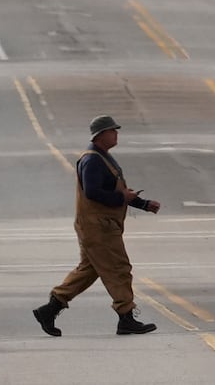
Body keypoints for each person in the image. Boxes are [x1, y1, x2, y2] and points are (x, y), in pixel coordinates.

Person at [33, 115, 161, 337]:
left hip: (101, 226)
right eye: (113, 131)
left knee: (89, 270)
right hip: (98, 227)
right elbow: (93, 193)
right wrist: (123, 199)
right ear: (101, 135)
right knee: (118, 269)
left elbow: (119, 192)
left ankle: (50, 309)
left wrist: (143, 204)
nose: (116, 134)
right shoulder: (92, 160)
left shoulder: (103, 157)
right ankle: (126, 316)